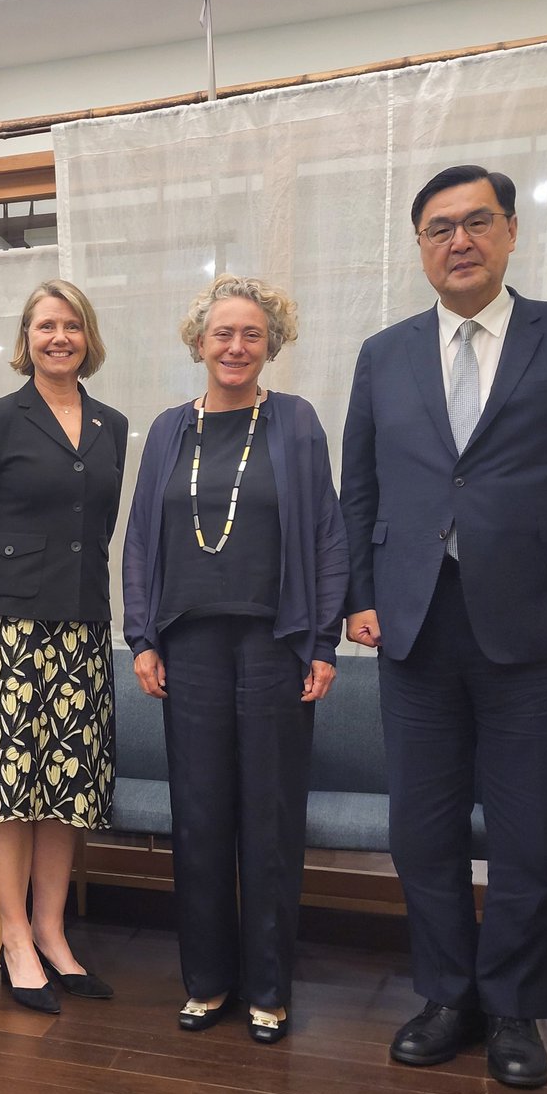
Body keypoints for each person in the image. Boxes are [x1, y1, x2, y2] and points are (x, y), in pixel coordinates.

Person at [341, 165, 547, 1088]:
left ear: (510, 233)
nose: (458, 241)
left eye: (475, 223)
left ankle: (513, 1009)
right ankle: (446, 994)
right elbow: (363, 490)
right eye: (438, 228)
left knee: (529, 833)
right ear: (420, 247)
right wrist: (357, 594)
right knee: (420, 834)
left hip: (540, 630)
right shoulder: (384, 353)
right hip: (417, 626)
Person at [123, 274, 348, 1043]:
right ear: (198, 343)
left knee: (270, 819)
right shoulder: (165, 431)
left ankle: (270, 988)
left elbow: (326, 534)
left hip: (274, 645)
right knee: (200, 818)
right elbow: (139, 543)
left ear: (271, 346)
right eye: (223, 333)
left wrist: (323, 641)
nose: (236, 347)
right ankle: (208, 982)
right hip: (186, 646)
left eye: (252, 334)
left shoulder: (295, 422)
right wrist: (142, 637)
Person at [0, 279, 127, 1013]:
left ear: (89, 338)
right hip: (13, 631)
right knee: (9, 788)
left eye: (73, 326)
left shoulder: (112, 422)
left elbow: (105, 523)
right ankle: (15, 937)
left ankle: (54, 933)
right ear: (26, 339)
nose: (61, 337)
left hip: (83, 624)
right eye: (47, 326)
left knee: (66, 790)